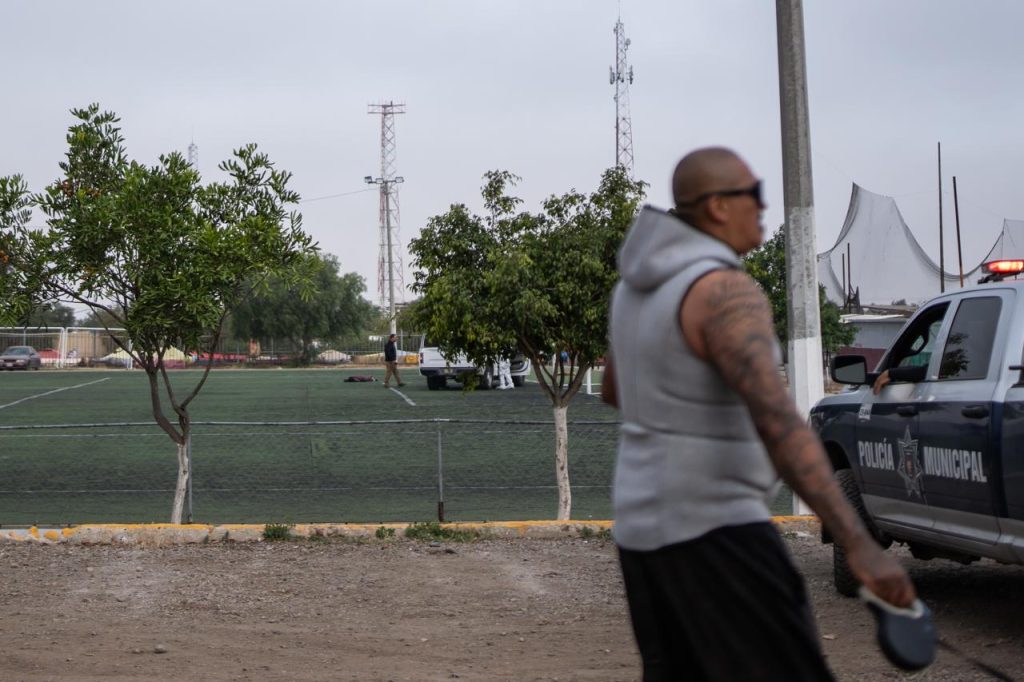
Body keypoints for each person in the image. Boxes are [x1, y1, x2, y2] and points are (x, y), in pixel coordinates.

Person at [602, 147, 916, 681]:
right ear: (718, 205)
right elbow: (779, 424)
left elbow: (615, 389)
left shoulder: (633, 291)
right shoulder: (725, 291)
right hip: (718, 531)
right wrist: (859, 543)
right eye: (754, 193)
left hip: (641, 531)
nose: (763, 206)